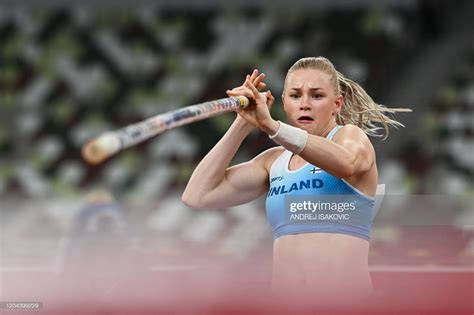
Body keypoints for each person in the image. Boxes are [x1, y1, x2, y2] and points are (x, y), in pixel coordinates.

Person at [182, 57, 409, 304]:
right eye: (295, 95)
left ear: (337, 104)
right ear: (284, 103)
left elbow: (346, 164)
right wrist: (243, 123)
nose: (304, 105)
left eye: (317, 95)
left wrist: (272, 126)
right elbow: (197, 195)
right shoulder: (273, 161)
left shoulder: (351, 138)